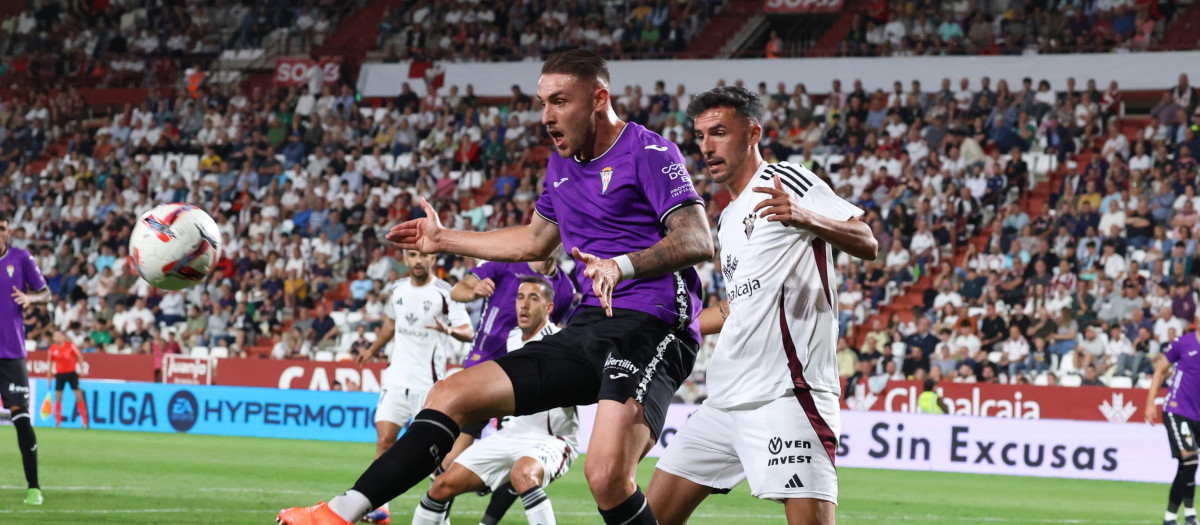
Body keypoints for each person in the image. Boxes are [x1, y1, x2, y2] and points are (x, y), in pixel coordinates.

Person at [278, 49, 715, 525]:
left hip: (652, 326)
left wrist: (622, 267)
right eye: (542, 102)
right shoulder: (560, 167)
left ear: (598, 99)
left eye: (560, 101)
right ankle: (341, 512)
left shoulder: (648, 151)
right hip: (589, 326)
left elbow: (696, 239)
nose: (546, 116)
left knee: (607, 476)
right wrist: (444, 239)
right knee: (451, 394)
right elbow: (532, 240)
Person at [646, 87, 878, 525]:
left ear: (753, 133)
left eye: (719, 132)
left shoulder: (786, 179)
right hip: (726, 398)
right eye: (699, 136)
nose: (707, 146)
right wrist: (674, 324)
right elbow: (740, 304)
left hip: (787, 393)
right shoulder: (729, 216)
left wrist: (807, 217)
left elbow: (866, 240)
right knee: (648, 518)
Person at [413, 276, 577, 525]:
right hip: (510, 435)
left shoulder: (562, 341)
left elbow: (581, 385)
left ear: (549, 307)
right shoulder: (512, 339)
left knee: (523, 475)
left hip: (551, 440)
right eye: (520, 297)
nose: (524, 305)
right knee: (441, 484)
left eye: (534, 298)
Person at [353, 249, 473, 524]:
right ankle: (380, 508)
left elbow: (468, 331)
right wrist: (372, 350)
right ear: (405, 260)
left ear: (432, 258)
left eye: (422, 255)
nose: (418, 260)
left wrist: (450, 331)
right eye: (411, 255)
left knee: (435, 458)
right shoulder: (397, 289)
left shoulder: (446, 292)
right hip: (396, 380)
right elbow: (390, 325)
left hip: (429, 386)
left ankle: (437, 514)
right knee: (384, 442)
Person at [0, 211, 50, 505]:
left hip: (11, 354)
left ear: (8, 231)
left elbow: (47, 294)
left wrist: (32, 298)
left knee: (21, 419)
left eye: (2, 227)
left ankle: (34, 487)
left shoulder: (21, 258)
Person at [1146, 323, 1200, 525]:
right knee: (1191, 457)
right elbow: (1161, 370)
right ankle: (1190, 515)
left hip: (1197, 415)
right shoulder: (1182, 343)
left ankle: (1169, 518)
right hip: (1176, 409)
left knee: (1185, 466)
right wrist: (1150, 403)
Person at [46, 330, 89, 429]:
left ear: (62, 337)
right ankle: (58, 422)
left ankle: (85, 423)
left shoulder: (70, 346)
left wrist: (82, 367)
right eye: (55, 336)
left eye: (58, 335)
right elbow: (50, 365)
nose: (56, 338)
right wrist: (48, 378)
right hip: (60, 375)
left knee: (79, 396)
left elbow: (79, 356)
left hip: (71, 374)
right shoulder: (52, 349)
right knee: (58, 398)